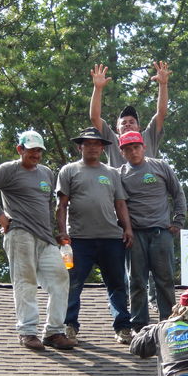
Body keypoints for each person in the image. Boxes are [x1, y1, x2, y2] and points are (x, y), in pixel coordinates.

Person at [0, 130, 73, 351]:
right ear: (20, 149)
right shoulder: (8, 170)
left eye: (39, 150)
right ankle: (28, 332)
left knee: (60, 277)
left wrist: (57, 232)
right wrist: (1, 217)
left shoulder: (47, 173)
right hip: (20, 233)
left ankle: (54, 332)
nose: (36, 154)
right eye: (31, 150)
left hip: (45, 238)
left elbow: (47, 206)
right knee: (25, 281)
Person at [56, 127, 134, 345]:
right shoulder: (69, 170)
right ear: (80, 146)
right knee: (72, 283)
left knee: (117, 284)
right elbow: (61, 205)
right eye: (88, 143)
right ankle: (69, 325)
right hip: (79, 239)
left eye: (96, 144)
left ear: (102, 147)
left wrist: (127, 228)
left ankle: (123, 327)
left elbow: (120, 203)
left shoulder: (111, 173)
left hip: (111, 237)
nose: (92, 147)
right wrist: (63, 232)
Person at [118, 131, 187, 334]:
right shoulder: (119, 173)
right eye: (128, 149)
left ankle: (169, 323)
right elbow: (118, 205)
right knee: (136, 280)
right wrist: (124, 229)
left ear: (144, 147)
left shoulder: (160, 166)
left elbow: (178, 193)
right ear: (122, 152)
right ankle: (139, 325)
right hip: (135, 233)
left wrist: (179, 220)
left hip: (161, 232)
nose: (133, 151)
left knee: (164, 279)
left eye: (136, 147)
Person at [89, 61, 171, 167]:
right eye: (123, 123)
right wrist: (97, 88)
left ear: (138, 128)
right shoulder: (112, 140)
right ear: (117, 129)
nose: (127, 124)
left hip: (148, 182)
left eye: (132, 122)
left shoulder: (148, 137)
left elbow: (161, 113)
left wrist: (163, 84)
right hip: (119, 183)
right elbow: (94, 118)